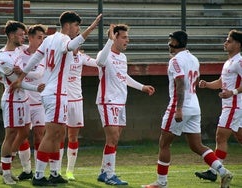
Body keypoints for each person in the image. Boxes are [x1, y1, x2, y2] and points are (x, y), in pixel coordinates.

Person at [9, 11, 102, 186]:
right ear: (67, 25)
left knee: (58, 134)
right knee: (51, 135)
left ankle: (53, 173)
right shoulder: (64, 40)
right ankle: (38, 175)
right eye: (76, 25)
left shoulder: (49, 39)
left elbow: (36, 57)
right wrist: (91, 28)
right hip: (56, 93)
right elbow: (74, 43)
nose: (77, 29)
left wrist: (22, 77)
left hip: (52, 93)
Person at [141, 30, 232, 188]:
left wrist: (178, 108)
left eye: (170, 41)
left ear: (176, 42)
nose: (168, 44)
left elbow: (180, 83)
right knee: (196, 145)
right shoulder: (194, 59)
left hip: (180, 106)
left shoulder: (175, 60)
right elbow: (195, 81)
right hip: (195, 105)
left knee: (164, 144)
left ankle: (161, 183)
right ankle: (223, 172)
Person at [95, 24, 155, 186]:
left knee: (115, 138)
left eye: (127, 37)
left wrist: (141, 87)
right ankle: (109, 174)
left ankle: (104, 172)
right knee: (112, 137)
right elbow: (98, 62)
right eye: (123, 37)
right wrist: (109, 41)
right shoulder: (105, 53)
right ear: (114, 37)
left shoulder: (122, 57)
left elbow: (124, 77)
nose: (127, 40)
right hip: (108, 100)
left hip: (121, 101)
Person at [0, 20, 45, 185]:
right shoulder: (4, 59)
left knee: (25, 132)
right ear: (12, 35)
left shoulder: (19, 50)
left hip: (24, 98)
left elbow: (32, 51)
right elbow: (17, 83)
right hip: (12, 99)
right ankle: (6, 173)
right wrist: (36, 88)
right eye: (20, 34)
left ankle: (4, 166)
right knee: (10, 135)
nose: (23, 38)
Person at [195, 29, 242, 183]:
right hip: (230, 105)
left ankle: (213, 171)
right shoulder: (229, 62)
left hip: (234, 106)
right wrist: (207, 84)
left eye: (229, 40)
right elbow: (222, 82)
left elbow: (232, 87)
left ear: (238, 44)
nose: (225, 43)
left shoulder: (239, 61)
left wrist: (233, 92)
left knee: (220, 136)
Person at [15, 24, 48, 181]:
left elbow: (38, 74)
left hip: (40, 102)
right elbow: (5, 55)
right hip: (24, 100)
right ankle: (27, 169)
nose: (42, 41)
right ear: (30, 37)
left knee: (39, 135)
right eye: (39, 37)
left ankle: (39, 171)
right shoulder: (20, 52)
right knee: (22, 136)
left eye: (43, 38)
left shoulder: (44, 54)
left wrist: (20, 72)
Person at [61, 47, 97, 181]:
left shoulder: (81, 57)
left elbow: (98, 62)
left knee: (73, 136)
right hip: (62, 99)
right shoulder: (62, 55)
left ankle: (69, 171)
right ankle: (56, 170)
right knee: (59, 135)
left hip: (76, 101)